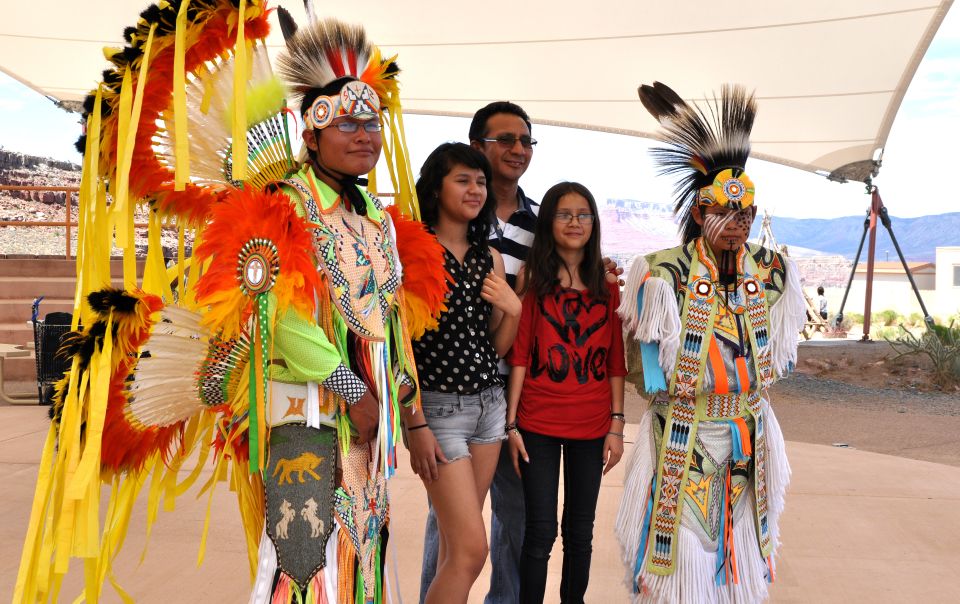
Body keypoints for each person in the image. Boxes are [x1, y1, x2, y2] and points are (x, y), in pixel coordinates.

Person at [616, 82, 806, 602]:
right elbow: (643, 367)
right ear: (700, 213)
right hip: (683, 432)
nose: (736, 224)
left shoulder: (772, 272)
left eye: (745, 214)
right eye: (724, 211)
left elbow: (778, 355)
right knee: (681, 561)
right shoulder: (660, 274)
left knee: (740, 556)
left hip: (749, 429)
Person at [419, 101, 539, 604]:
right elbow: (399, 342)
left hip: (492, 403)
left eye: (478, 184)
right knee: (469, 546)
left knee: (464, 543)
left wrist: (513, 308)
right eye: (463, 180)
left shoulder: (503, 245)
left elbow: (496, 340)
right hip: (441, 406)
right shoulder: (412, 249)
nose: (474, 190)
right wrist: (414, 417)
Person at [505, 182, 627, 603]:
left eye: (583, 214)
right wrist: (512, 423)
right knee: (539, 532)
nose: (575, 223)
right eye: (564, 214)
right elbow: (520, 354)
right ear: (548, 222)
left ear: (593, 223)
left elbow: (615, 363)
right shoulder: (534, 280)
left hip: (593, 425)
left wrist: (617, 425)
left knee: (580, 533)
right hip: (537, 421)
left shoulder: (608, 287)